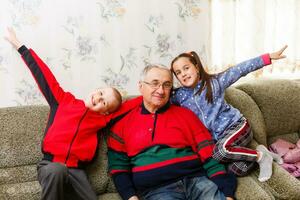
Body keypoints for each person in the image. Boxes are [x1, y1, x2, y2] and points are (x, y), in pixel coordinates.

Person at [5, 27, 142, 200]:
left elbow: (129, 106)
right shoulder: (63, 101)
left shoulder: (101, 120)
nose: (98, 98)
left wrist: (154, 91)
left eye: (103, 102)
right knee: (57, 169)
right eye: (100, 92)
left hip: (76, 172)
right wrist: (20, 46)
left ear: (106, 112)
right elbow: (43, 75)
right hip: (50, 166)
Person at [107, 65, 237, 200]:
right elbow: (118, 168)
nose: (161, 90)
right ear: (141, 86)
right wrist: (130, 197)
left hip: (197, 181)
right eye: (155, 83)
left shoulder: (186, 115)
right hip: (158, 190)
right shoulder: (122, 125)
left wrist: (227, 192)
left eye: (167, 85)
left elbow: (209, 154)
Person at [170, 46, 287, 182]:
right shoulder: (179, 96)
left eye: (186, 68)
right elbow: (160, 99)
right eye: (178, 72)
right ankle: (263, 153)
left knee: (219, 152)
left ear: (196, 67)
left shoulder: (214, 83)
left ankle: (261, 157)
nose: (183, 74)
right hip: (220, 140)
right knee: (234, 170)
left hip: (238, 127)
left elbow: (239, 70)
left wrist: (266, 58)